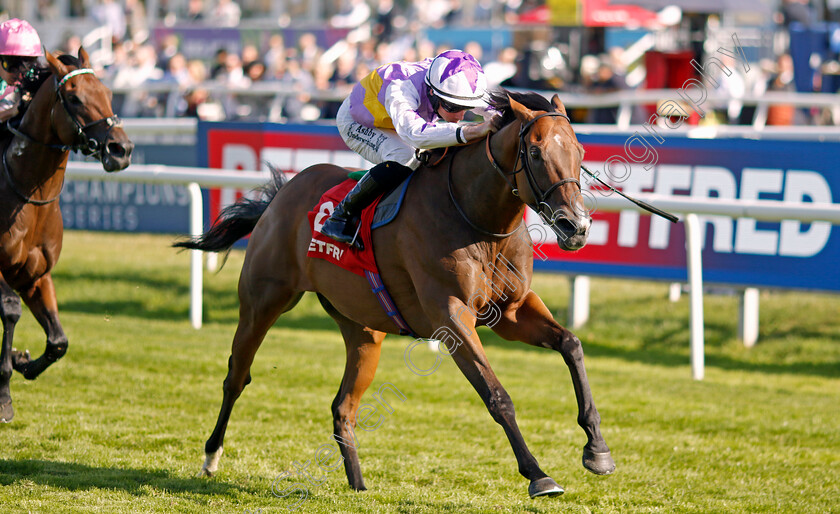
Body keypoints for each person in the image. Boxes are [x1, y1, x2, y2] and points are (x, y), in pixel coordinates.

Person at [320, 49, 500, 248]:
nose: (460, 115)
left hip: (394, 120)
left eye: (465, 107)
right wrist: (471, 131)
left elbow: (492, 110)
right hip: (358, 121)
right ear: (432, 92)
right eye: (453, 107)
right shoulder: (401, 87)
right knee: (405, 157)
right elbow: (415, 134)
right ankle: (340, 216)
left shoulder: (453, 81)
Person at [0, 19, 43, 125]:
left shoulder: (34, 76)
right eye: (12, 65)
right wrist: (10, 112)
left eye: (26, 66)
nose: (19, 75)